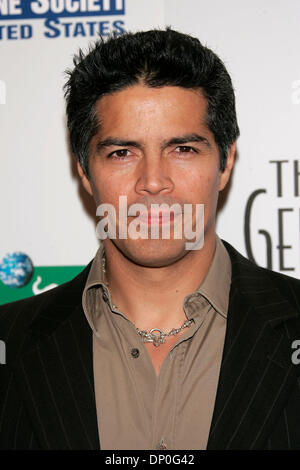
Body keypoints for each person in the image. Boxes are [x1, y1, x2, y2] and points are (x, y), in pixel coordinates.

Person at [1, 28, 300, 451]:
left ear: (226, 161)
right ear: (85, 170)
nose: (153, 182)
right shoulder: (9, 344)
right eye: (122, 152)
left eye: (183, 149)